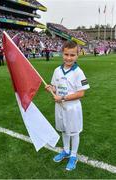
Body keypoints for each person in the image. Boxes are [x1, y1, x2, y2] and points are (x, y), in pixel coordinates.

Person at [45, 41, 90, 171]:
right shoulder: (57, 70)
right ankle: (65, 150)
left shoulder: (78, 72)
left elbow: (81, 93)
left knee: (74, 132)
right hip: (59, 106)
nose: (68, 58)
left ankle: (73, 155)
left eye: (72, 55)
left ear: (77, 56)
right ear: (62, 54)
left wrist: (63, 97)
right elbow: (55, 86)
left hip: (72, 108)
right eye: (66, 54)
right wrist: (51, 88)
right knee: (64, 129)